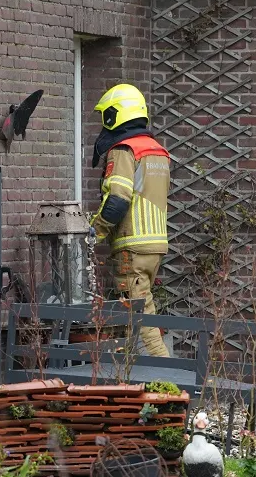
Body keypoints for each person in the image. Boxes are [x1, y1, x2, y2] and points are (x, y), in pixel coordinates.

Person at [89, 83, 171, 357]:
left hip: (131, 249)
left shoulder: (125, 150)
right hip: (155, 246)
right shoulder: (157, 151)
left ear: (115, 115)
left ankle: (169, 383)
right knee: (133, 316)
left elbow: (118, 200)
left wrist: (93, 232)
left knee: (140, 317)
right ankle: (130, 378)